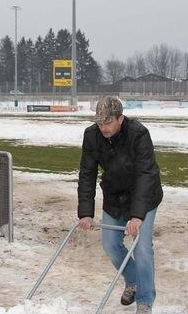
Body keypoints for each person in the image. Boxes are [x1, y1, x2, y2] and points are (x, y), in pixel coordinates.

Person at [77, 96, 163, 314]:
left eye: (107, 122)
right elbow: (87, 173)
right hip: (114, 196)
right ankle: (133, 280)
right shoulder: (92, 135)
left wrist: (137, 216)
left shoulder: (138, 134)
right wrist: (85, 213)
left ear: (120, 118)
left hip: (143, 196)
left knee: (142, 248)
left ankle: (145, 300)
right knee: (110, 245)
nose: (103, 127)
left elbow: (146, 174)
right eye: (99, 122)